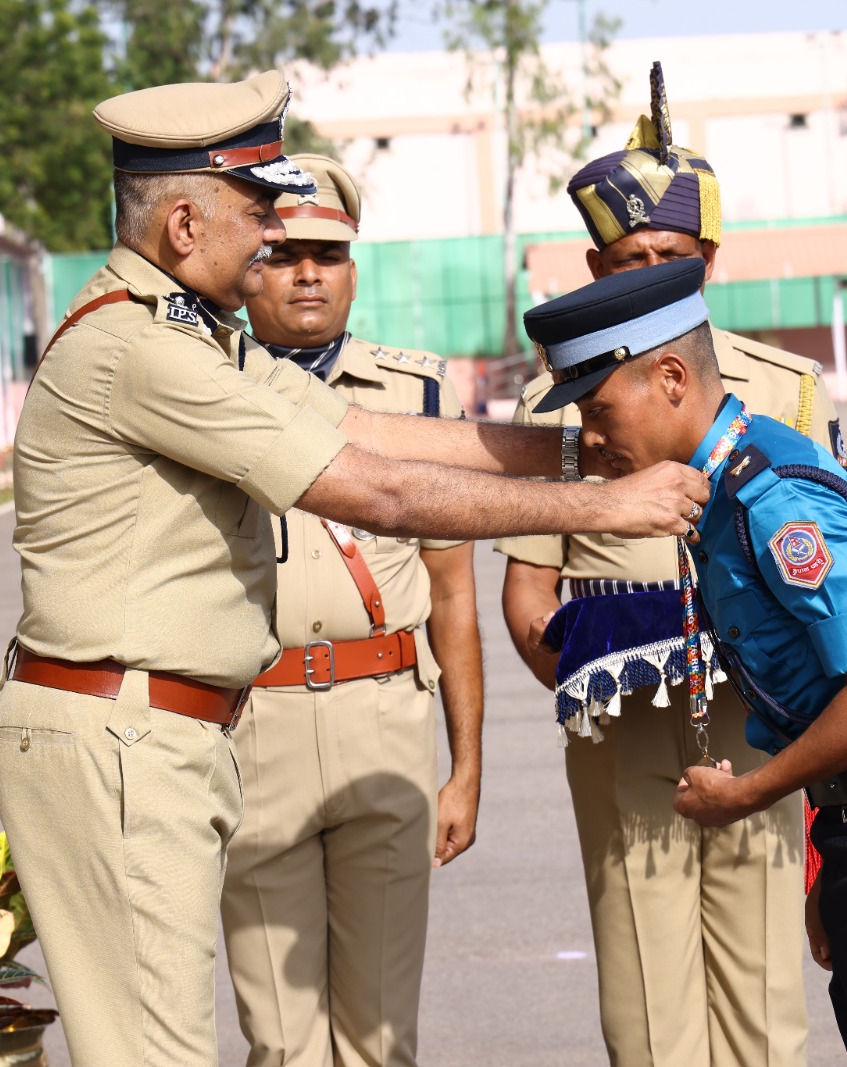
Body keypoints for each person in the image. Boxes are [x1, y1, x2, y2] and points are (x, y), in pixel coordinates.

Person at [0, 72, 710, 1066]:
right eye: (258, 212)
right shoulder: (138, 351)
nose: (271, 240)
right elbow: (376, 491)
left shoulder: (187, 336)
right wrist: (602, 502)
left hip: (160, 729)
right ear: (186, 224)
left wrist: (598, 452)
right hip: (124, 732)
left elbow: (377, 430)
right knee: (158, 1051)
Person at [524, 256, 847, 1067]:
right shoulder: (722, 488)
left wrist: (749, 793)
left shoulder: (772, 497)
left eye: (598, 406)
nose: (589, 434)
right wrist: (836, 851)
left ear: (670, 376)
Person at [496, 67, 827, 1067]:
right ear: (595, 261)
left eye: (670, 257)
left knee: (764, 987)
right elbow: (526, 595)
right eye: (627, 256)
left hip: (763, 719)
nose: (647, 270)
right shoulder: (556, 407)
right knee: (648, 993)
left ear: (707, 259)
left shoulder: (786, 386)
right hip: (620, 723)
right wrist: (593, 685)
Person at [221, 154, 482, 1067]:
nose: (305, 273)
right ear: (249, 264)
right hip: (255, 725)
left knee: (379, 1038)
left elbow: (454, 589)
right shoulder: (200, 388)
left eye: (326, 254)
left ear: (352, 269)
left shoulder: (419, 394)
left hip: (385, 722)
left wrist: (466, 766)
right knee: (281, 1044)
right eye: (284, 252)